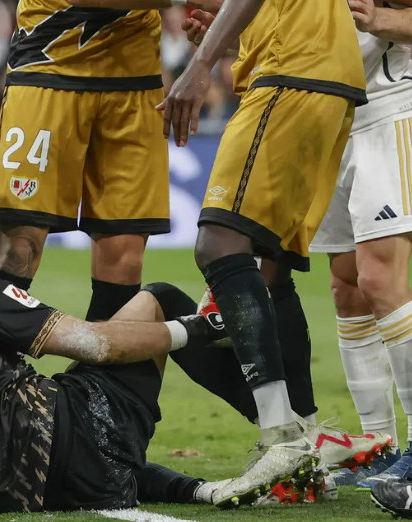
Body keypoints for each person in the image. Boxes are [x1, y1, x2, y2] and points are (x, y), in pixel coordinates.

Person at [0, 192, 229, 512]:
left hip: (31, 495)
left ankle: (192, 489)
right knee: (159, 300)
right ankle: (275, 422)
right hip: (76, 440)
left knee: (71, 417)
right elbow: (96, 345)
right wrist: (195, 329)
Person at [160, 0, 367, 508]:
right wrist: (231, 33)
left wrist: (201, 61)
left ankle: (281, 437)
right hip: (328, 75)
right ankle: (309, 437)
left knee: (219, 243)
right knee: (270, 268)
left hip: (294, 71)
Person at [0, 0, 222, 333]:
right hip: (50, 64)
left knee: (123, 260)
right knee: (19, 247)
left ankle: (100, 384)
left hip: (134, 78)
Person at [308, 0, 412, 489]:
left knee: (379, 278)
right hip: (331, 116)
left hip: (392, 105)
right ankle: (378, 447)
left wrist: (380, 20)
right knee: (346, 285)